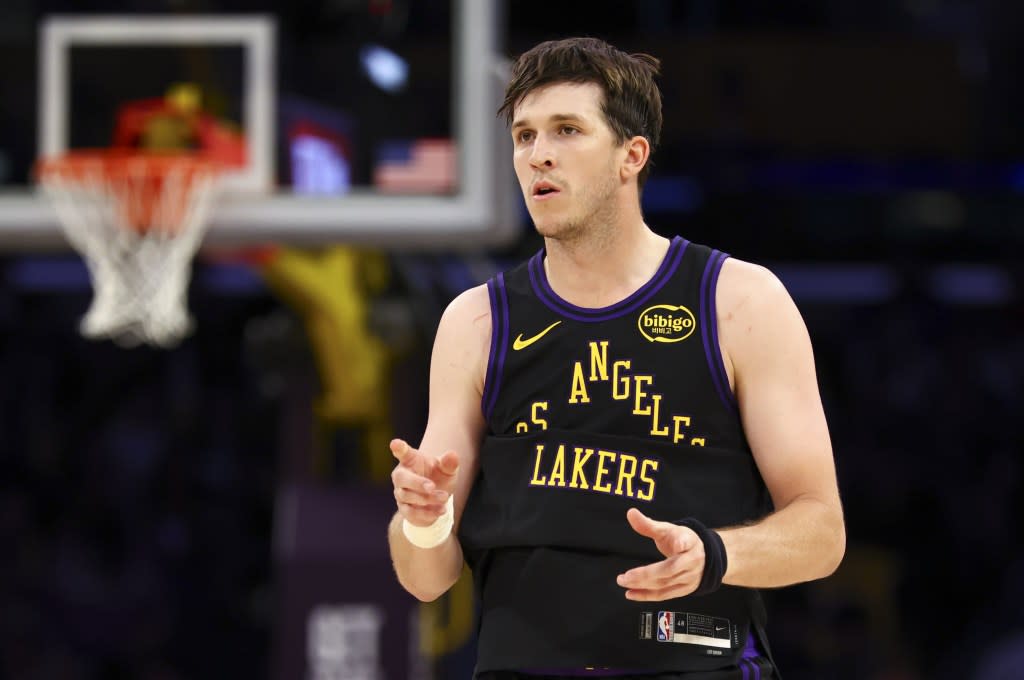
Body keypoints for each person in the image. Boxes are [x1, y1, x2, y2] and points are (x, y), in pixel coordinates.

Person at [388, 36, 845, 679]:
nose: (538, 154)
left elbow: (822, 533)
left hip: (694, 662)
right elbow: (424, 580)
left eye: (567, 130)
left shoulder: (740, 301)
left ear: (632, 155)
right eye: (524, 136)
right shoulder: (476, 321)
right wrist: (425, 519)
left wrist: (714, 554)